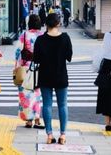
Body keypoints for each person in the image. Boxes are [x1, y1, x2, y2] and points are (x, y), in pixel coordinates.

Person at [33, 13, 73, 145]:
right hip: (61, 75)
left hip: (45, 76)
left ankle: (49, 135)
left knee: (47, 105)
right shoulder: (65, 38)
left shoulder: (40, 40)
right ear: (58, 23)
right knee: (63, 105)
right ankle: (62, 135)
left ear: (46, 24)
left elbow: (36, 59)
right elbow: (69, 57)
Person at [14, 14, 44, 129]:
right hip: (39, 68)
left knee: (26, 95)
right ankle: (37, 118)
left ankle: (28, 121)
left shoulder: (24, 35)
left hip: (26, 68)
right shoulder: (42, 35)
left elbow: (18, 52)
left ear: (29, 23)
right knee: (37, 94)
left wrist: (17, 67)